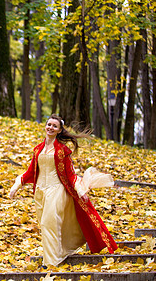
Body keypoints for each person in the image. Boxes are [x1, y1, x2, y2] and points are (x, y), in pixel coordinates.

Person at [9, 114, 118, 266]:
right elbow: (30, 172)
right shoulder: (38, 149)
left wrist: (81, 192)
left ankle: (50, 263)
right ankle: (58, 254)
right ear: (45, 126)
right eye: (49, 124)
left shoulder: (62, 150)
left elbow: (70, 175)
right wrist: (16, 186)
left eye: (54, 126)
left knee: (49, 223)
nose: (50, 128)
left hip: (56, 190)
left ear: (59, 130)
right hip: (40, 191)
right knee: (45, 225)